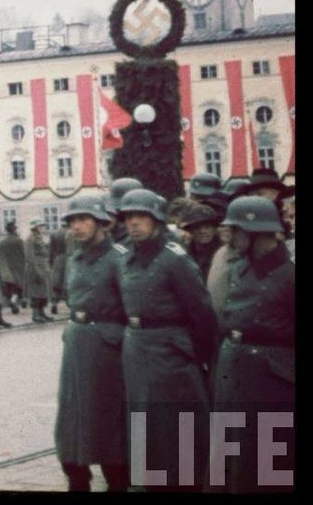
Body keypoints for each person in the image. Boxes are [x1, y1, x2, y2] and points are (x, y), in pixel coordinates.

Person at [116, 189, 218, 490]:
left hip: (170, 353)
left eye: (141, 216)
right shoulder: (126, 260)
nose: (133, 223)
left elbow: (201, 313)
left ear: (157, 219)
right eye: (129, 217)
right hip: (136, 349)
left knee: (175, 423)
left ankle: (183, 481)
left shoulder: (174, 259)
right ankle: (151, 480)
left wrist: (195, 354)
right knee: (143, 420)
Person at [211, 196, 294, 492]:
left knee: (269, 465)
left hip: (273, 383)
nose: (229, 238)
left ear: (255, 230)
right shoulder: (240, 268)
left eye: (235, 230)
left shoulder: (289, 274)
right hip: (233, 375)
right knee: (233, 459)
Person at [53, 195, 129, 492]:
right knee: (72, 414)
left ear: (102, 224)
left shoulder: (119, 258)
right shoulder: (76, 258)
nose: (77, 226)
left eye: (84, 219)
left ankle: (116, 477)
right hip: (76, 344)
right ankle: (76, 474)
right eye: (73, 221)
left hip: (107, 348)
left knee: (107, 416)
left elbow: (129, 303)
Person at [176, 203, 220, 280]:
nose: (203, 231)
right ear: (191, 231)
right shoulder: (184, 251)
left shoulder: (223, 250)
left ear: (214, 229)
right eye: (197, 228)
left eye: (207, 227)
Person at [24, 218, 54, 323]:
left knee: (43, 293)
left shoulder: (38, 238)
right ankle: (35, 314)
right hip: (35, 268)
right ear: (35, 227)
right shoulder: (30, 239)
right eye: (40, 226)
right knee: (36, 293)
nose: (42, 228)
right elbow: (29, 257)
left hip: (42, 267)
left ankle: (42, 313)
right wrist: (36, 271)